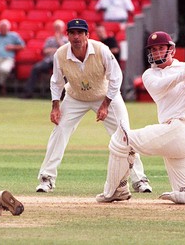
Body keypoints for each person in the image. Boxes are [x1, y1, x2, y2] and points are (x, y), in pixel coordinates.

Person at [96, 31, 185, 207]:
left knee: (121, 139)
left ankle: (115, 191)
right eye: (153, 49)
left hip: (182, 131)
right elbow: (160, 88)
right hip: (174, 137)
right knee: (182, 191)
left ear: (171, 50)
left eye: (160, 48)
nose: (156, 52)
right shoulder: (150, 75)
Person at [36, 19, 152, 194]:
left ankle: (139, 179)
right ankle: (47, 178)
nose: (76, 37)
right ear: (67, 35)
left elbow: (116, 78)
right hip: (75, 97)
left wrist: (105, 104)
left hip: (105, 95)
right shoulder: (60, 54)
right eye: (72, 33)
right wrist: (55, 106)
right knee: (59, 131)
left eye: (80, 33)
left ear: (87, 35)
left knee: (124, 134)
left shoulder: (101, 50)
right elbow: (56, 82)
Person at [21, 19, 68, 99]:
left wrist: (58, 41)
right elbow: (45, 51)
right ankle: (28, 93)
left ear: (63, 28)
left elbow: (65, 51)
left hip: (61, 61)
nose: (57, 29)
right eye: (56, 27)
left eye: (59, 27)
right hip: (49, 60)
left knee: (66, 72)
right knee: (35, 68)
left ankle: (65, 95)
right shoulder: (49, 39)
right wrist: (56, 49)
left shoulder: (66, 39)